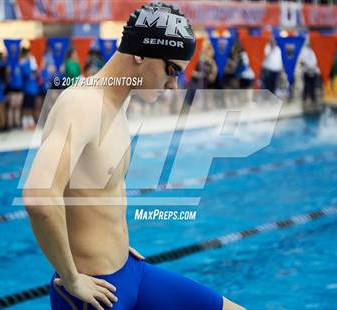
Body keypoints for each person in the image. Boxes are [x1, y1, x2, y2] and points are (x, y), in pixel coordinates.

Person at [23, 3, 245, 310]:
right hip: (95, 295)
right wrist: (73, 279)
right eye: (171, 71)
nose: (173, 86)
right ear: (140, 54)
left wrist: (114, 243)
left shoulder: (118, 103)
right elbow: (38, 198)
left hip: (130, 271)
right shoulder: (82, 105)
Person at [298, 42, 319, 107]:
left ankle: (313, 100)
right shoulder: (303, 51)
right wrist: (307, 65)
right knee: (306, 86)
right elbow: (301, 61)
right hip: (306, 71)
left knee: (313, 86)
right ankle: (304, 100)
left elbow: (317, 60)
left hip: (314, 71)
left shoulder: (316, 50)